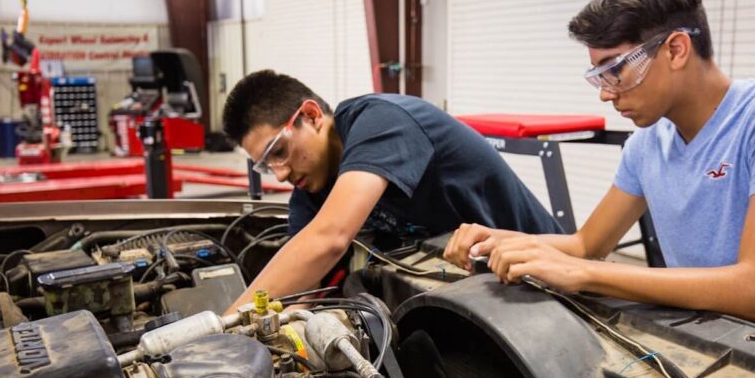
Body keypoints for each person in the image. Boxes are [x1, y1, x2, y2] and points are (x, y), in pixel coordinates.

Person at [444, 0, 755, 375]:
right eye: (597, 77)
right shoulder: (647, 145)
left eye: (615, 70)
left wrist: (586, 274)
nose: (606, 93)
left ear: (676, 49)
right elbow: (587, 243)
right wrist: (506, 240)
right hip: (733, 363)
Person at [220, 69, 562, 312]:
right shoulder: (310, 190)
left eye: (278, 151)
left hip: (550, 280)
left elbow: (329, 239)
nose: (278, 175)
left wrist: (223, 327)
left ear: (311, 115)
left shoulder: (381, 122)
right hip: (473, 288)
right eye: (266, 165)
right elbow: (301, 283)